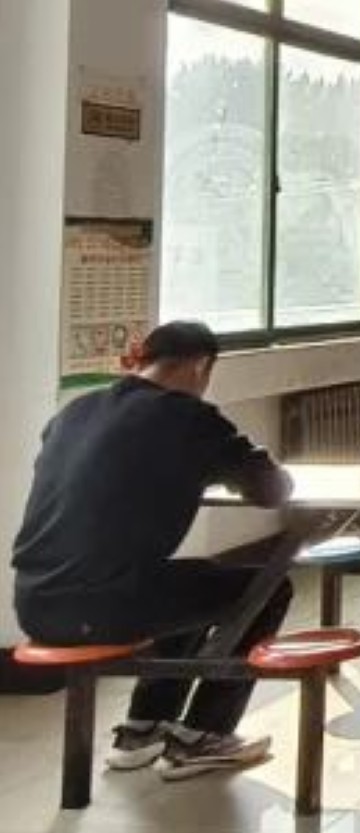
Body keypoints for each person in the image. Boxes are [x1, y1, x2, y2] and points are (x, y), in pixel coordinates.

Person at [12, 322, 293, 777]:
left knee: (189, 583)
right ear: (200, 366)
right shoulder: (188, 417)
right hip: (98, 606)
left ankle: (143, 727)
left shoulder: (76, 411)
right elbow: (271, 489)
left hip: (34, 602)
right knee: (270, 586)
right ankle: (203, 735)